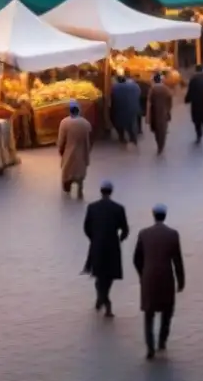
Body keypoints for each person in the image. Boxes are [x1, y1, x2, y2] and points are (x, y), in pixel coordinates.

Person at [133, 204, 185, 360]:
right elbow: (177, 260)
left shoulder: (144, 234)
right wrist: (181, 280)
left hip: (148, 278)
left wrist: (142, 274)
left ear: (153, 215)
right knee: (167, 311)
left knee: (149, 314)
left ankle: (150, 348)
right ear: (165, 215)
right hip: (166, 278)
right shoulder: (173, 234)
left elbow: (136, 259)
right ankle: (162, 341)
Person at [82, 181, 129, 317]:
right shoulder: (119, 208)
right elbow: (125, 229)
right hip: (112, 246)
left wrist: (94, 238)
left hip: (97, 246)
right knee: (109, 276)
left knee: (98, 274)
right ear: (111, 191)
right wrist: (119, 240)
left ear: (101, 191)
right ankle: (105, 299)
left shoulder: (92, 207)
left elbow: (86, 227)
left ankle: (101, 298)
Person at [58, 101, 92, 199]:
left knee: (67, 171)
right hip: (82, 152)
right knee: (80, 171)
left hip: (68, 152)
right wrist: (88, 150)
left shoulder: (64, 123)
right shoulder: (86, 123)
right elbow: (90, 138)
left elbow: (61, 139)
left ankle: (67, 188)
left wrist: (61, 150)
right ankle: (80, 187)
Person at [183, 65, 203, 143]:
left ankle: (199, 133)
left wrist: (187, 99)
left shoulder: (193, 79)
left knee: (196, 118)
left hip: (195, 102)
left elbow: (190, 91)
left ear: (196, 70)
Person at [109, 74, 141, 145]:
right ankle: (132, 138)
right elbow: (138, 95)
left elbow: (113, 98)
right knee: (131, 123)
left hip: (119, 108)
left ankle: (121, 136)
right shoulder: (135, 86)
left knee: (118, 122)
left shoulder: (115, 87)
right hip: (133, 108)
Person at [147, 74, 173, 154]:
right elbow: (170, 100)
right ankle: (161, 144)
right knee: (163, 129)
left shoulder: (152, 89)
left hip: (154, 112)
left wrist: (148, 115)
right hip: (164, 112)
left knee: (156, 130)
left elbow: (149, 101)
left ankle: (159, 144)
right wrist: (168, 110)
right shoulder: (166, 89)